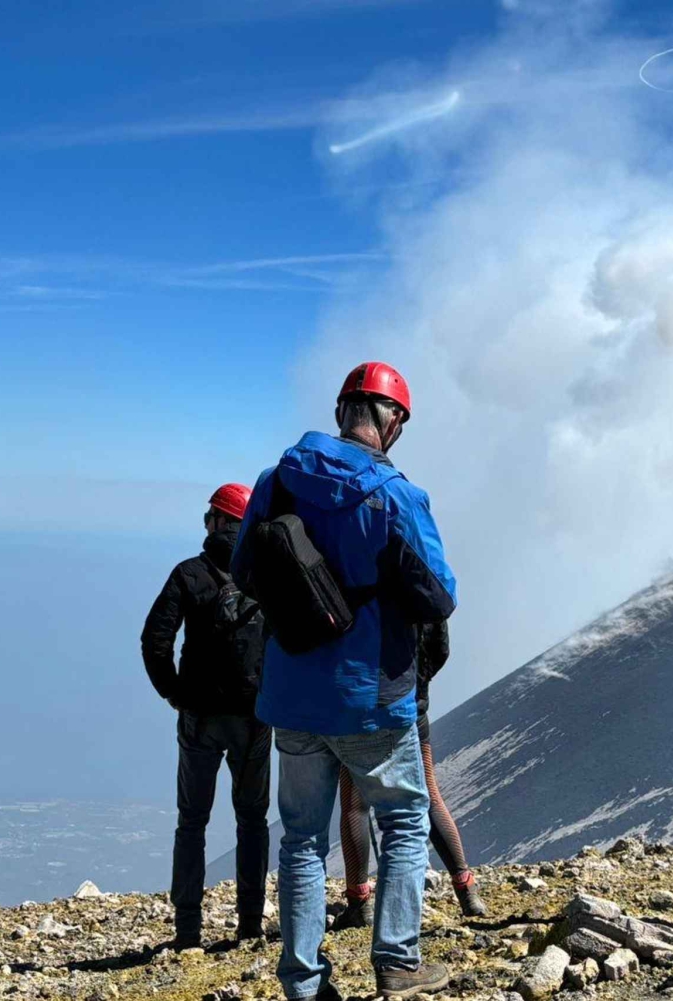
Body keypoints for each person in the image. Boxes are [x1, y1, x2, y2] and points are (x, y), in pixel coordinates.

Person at [232, 362, 457, 1001]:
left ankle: (303, 983)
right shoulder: (397, 495)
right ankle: (397, 962)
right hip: (370, 698)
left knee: (301, 839)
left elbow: (244, 572)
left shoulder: (275, 482)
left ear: (341, 412)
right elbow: (438, 597)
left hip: (292, 695)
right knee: (404, 820)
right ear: (393, 420)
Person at [140, 483, 270, 948]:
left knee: (192, 822)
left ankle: (188, 931)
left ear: (217, 522)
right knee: (252, 821)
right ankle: (250, 926)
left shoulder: (189, 574)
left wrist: (175, 694)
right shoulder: (264, 573)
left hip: (200, 716)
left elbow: (155, 641)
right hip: (254, 716)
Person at [334, 621, 486, 929]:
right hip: (411, 705)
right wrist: (417, 682)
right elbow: (439, 645)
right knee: (429, 795)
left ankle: (359, 903)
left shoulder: (354, 589)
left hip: (360, 711)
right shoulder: (415, 589)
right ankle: (466, 889)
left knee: (354, 806)